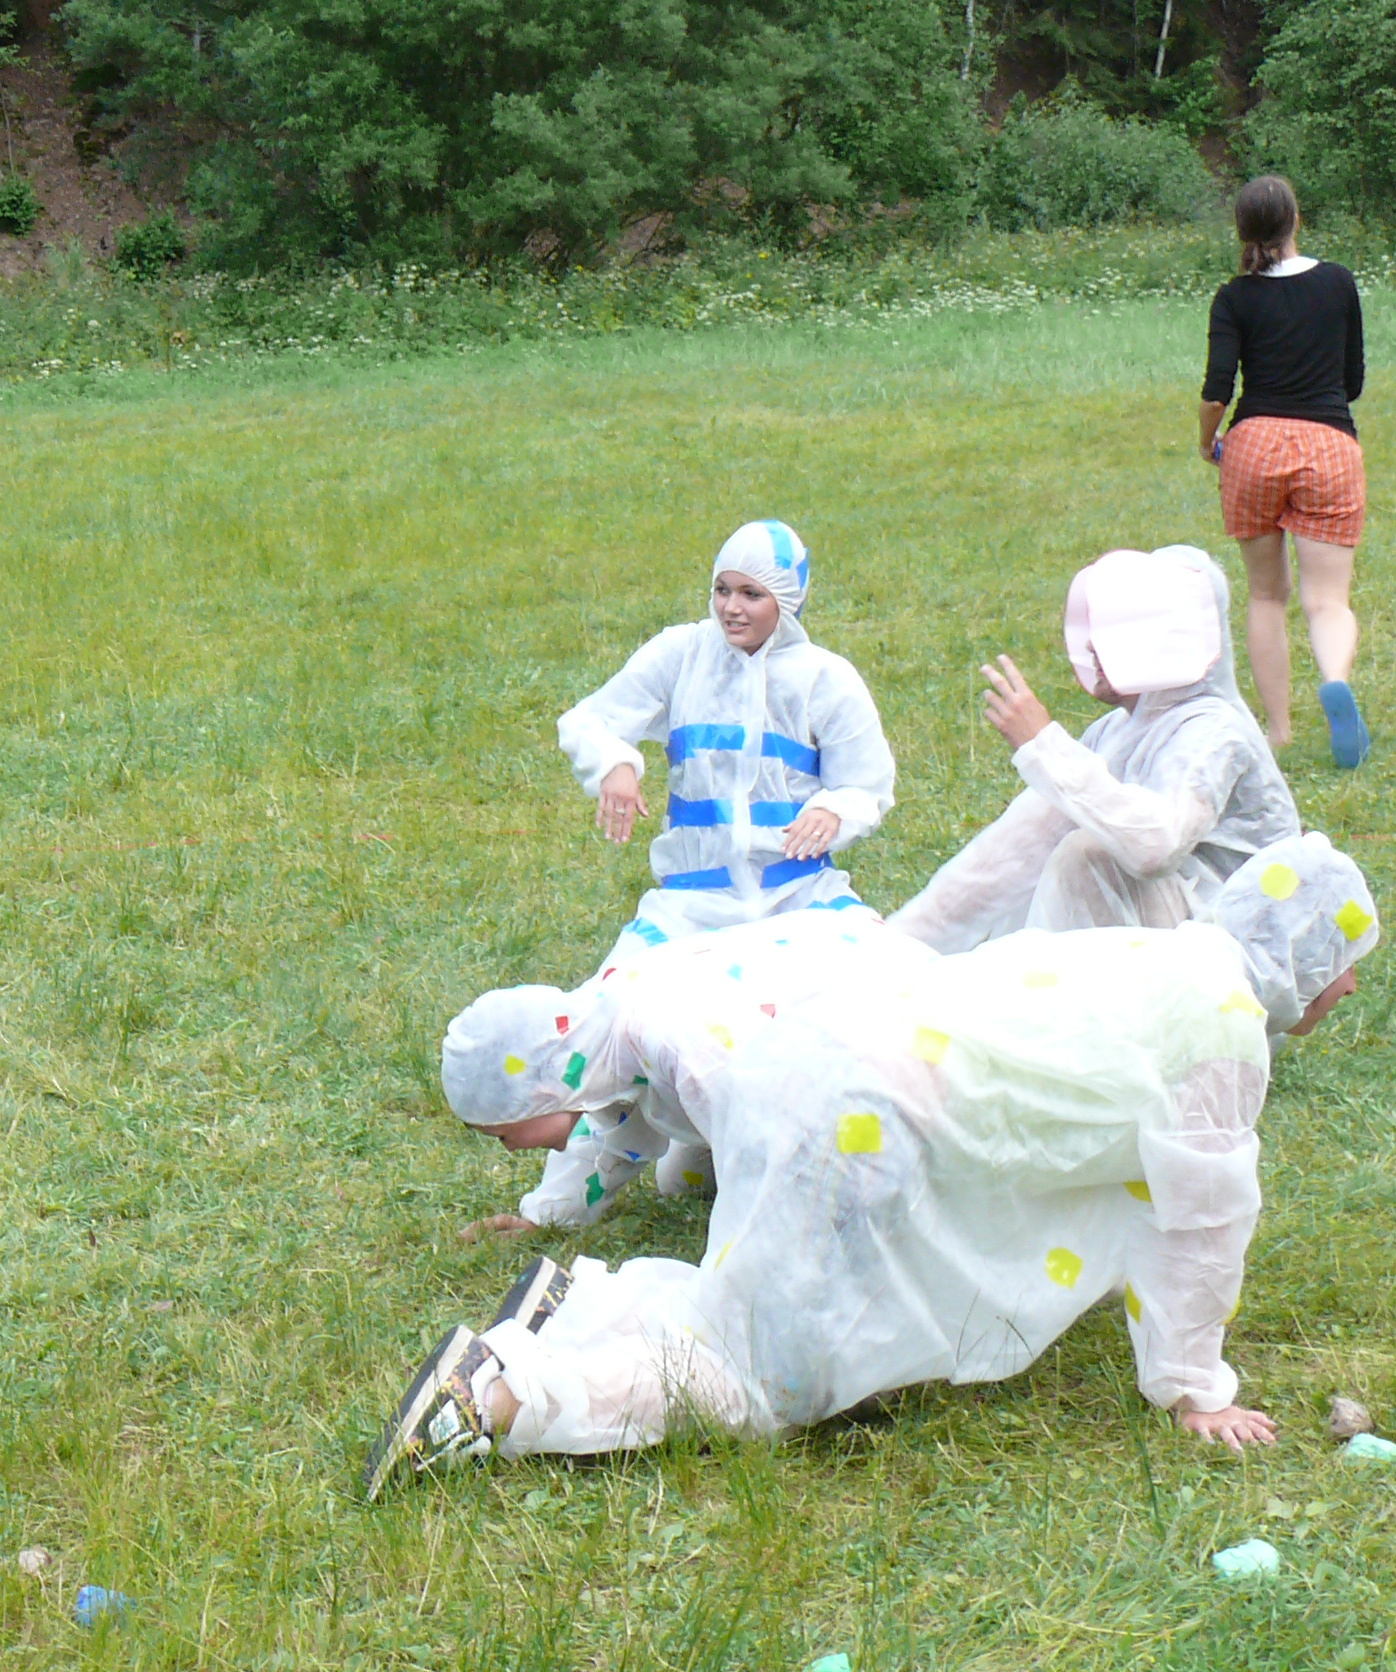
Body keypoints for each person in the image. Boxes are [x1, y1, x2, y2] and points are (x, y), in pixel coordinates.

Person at [364, 835, 1381, 1501]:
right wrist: (1194, 1390)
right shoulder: (1225, 1033)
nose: (1344, 996)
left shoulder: (1159, 952)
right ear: (1314, 965)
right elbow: (1200, 1228)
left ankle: (584, 1305)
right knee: (768, 1380)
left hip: (821, 1054)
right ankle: (504, 1398)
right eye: (1346, 972)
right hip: (858, 1118)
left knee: (755, 1300)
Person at [893, 545, 1299, 952]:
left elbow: (1155, 846)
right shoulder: (1118, 731)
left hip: (1247, 950)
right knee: (1064, 842)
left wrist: (1046, 749)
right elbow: (1013, 852)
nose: (1091, 648)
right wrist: (898, 944)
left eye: (1118, 632)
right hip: (1184, 939)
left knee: (1087, 857)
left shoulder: (1213, 730)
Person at [461, 906, 938, 1228]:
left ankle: (898, 1169)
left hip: (888, 1028)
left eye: (503, 1135)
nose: (510, 1148)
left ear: (536, 1095)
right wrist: (545, 1216)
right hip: (786, 1047)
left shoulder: (680, 1044)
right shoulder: (597, 1042)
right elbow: (613, 1135)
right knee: (681, 1180)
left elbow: (765, 1142)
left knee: (816, 1186)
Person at [555, 520, 897, 956]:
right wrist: (613, 763)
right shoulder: (681, 654)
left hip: (799, 891)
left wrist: (834, 810)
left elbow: (866, 782)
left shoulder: (824, 677)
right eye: (722, 590)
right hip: (692, 899)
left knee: (878, 968)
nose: (731, 608)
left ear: (786, 601)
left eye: (751, 594)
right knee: (628, 989)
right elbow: (589, 720)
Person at [1200, 175, 1370, 766]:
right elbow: (1352, 380)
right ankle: (1335, 680)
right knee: (1328, 600)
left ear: (1242, 230)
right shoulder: (1338, 281)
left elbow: (1217, 390)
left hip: (1253, 445)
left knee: (1267, 595)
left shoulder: (1234, 297)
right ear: (1296, 220)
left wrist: (1207, 441)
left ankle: (1278, 731)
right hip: (1329, 443)